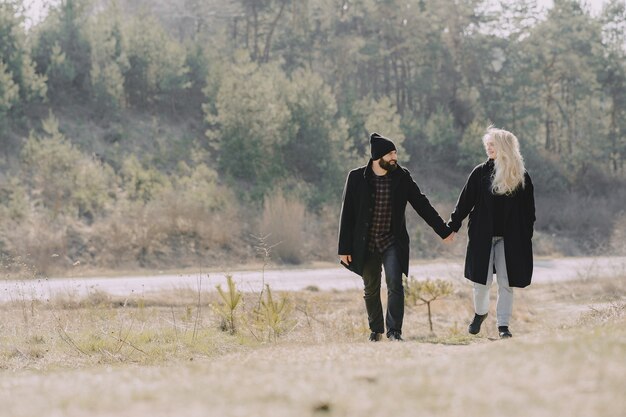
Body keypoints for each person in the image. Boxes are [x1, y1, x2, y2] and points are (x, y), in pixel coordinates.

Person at [338, 132, 454, 342]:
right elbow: (347, 214)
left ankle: (394, 331)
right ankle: (376, 330)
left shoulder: (402, 176)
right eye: (390, 154)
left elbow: (421, 203)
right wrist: (343, 248)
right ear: (377, 157)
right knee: (371, 289)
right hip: (366, 243)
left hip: (392, 241)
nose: (394, 157)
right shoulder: (356, 178)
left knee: (395, 284)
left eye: (395, 153)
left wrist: (443, 230)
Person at [447, 126, 535, 338]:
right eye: (487, 144)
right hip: (481, 236)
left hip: (510, 239)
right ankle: (480, 313)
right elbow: (465, 202)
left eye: (492, 144)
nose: (488, 148)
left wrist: (525, 237)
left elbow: (529, 212)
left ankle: (503, 326)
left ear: (504, 146)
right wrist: (452, 226)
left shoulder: (520, 175)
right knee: (481, 283)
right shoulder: (479, 173)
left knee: (506, 283)